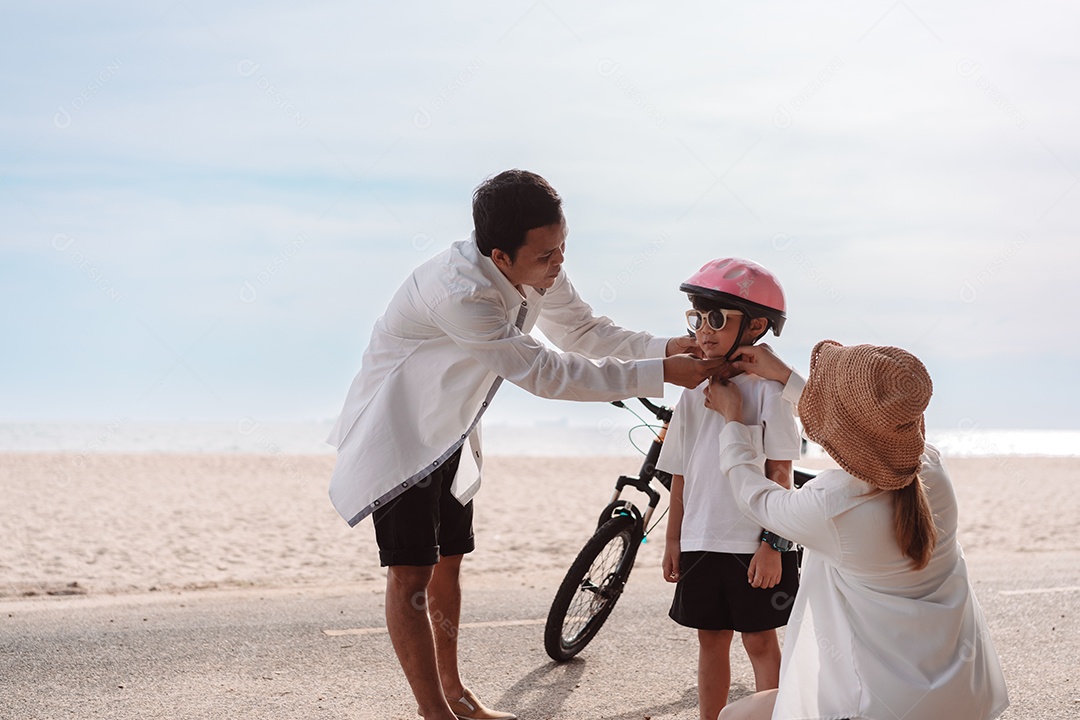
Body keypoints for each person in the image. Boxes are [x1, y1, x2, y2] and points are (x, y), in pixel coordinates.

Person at [326, 169, 727, 720]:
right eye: (545, 255)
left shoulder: (539, 264)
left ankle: (457, 696)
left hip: (453, 432)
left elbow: (582, 331)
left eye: (562, 247)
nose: (558, 263)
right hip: (398, 437)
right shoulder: (459, 291)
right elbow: (543, 373)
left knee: (449, 563)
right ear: (500, 256)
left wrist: (670, 348)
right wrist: (662, 372)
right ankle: (433, 713)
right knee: (412, 573)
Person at [706, 340, 1009, 720]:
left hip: (880, 710)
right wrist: (786, 376)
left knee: (733, 716)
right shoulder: (933, 470)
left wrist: (733, 421)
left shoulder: (833, 507)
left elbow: (757, 499)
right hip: (965, 698)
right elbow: (867, 429)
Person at [657, 258, 803, 720]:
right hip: (702, 537)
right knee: (710, 640)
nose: (704, 330)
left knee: (759, 640)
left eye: (717, 318)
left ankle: (772, 716)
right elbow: (680, 470)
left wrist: (772, 545)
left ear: (757, 325)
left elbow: (781, 473)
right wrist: (673, 538)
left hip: (753, 542)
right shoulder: (691, 389)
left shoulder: (771, 391)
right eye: (697, 318)